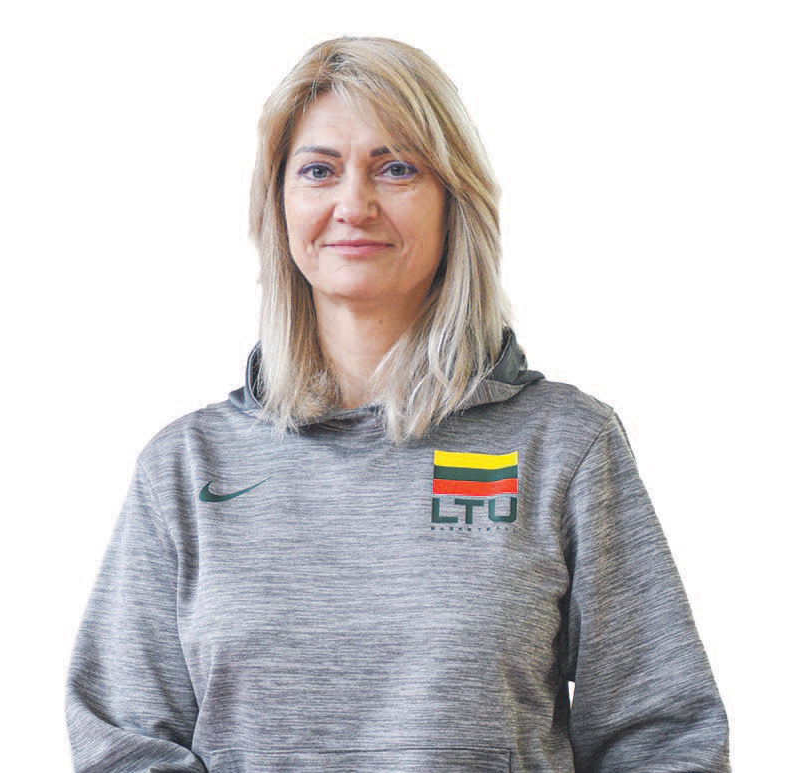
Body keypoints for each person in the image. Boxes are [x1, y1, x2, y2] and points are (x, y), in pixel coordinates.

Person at [66, 37, 730, 773]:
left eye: (397, 168)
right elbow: (123, 741)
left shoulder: (564, 446)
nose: (354, 204)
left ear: (453, 200)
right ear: (279, 206)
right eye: (319, 170)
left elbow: (664, 739)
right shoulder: (186, 467)